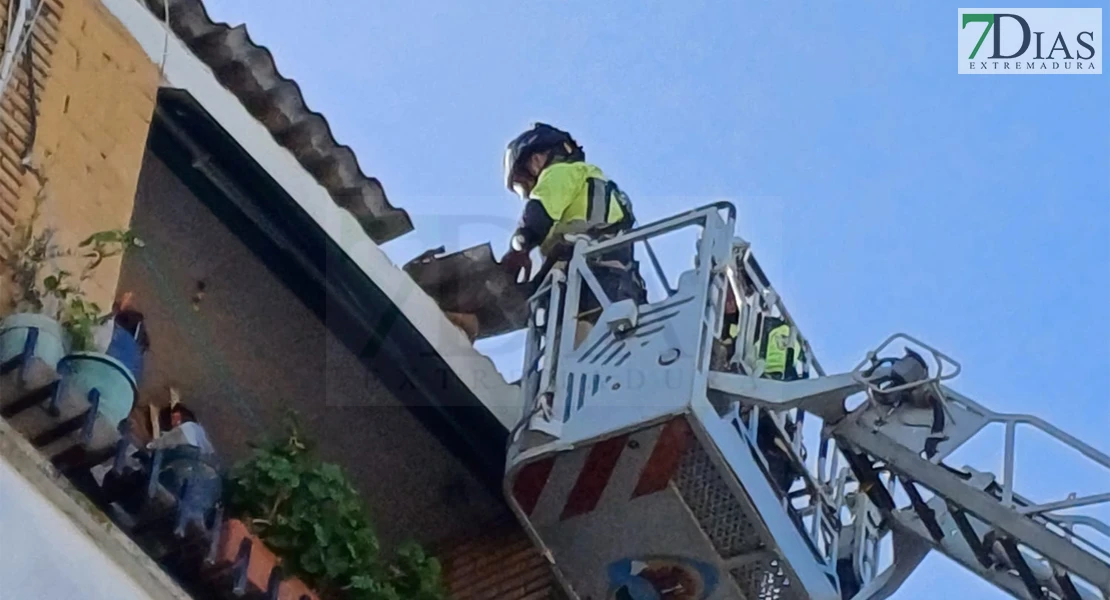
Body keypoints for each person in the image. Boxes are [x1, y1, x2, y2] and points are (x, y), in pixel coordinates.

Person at [500, 123, 645, 345]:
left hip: (586, 281)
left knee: (572, 352)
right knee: (599, 349)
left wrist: (518, 249)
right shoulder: (592, 180)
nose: (528, 189)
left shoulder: (561, 172)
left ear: (537, 158)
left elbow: (538, 214)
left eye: (522, 180)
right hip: (615, 283)